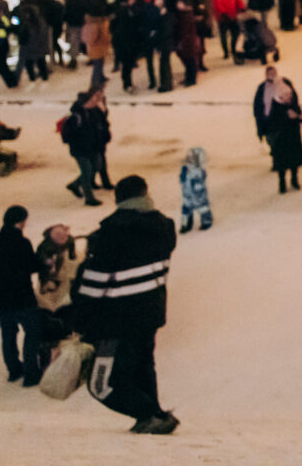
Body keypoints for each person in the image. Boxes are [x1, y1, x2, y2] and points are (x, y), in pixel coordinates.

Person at [71, 174, 179, 434]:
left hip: (114, 320)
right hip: (150, 313)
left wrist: (78, 320)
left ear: (119, 198)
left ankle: (149, 415)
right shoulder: (165, 227)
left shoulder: (111, 232)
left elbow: (93, 283)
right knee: (144, 366)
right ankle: (154, 414)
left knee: (101, 384)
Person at [0, 204, 43, 387]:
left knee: (8, 335)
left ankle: (13, 369)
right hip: (21, 297)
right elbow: (32, 266)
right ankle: (31, 373)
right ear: (22, 222)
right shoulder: (22, 243)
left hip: (0, 299)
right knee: (32, 333)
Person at [252, 67, 302, 193]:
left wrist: (298, 116)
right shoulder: (267, 95)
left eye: (289, 95)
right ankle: (282, 182)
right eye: (286, 95)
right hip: (279, 135)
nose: (289, 97)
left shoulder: (286, 87)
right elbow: (259, 109)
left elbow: (297, 108)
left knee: (293, 159)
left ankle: (294, 180)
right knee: (280, 158)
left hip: (291, 135)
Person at [62, 87, 109, 206]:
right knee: (87, 171)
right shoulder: (76, 117)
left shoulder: (93, 111)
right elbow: (67, 135)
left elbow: (101, 125)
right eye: (92, 100)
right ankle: (89, 198)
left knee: (96, 166)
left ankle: (75, 184)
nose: (95, 102)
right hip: (81, 150)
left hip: (92, 147)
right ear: (85, 103)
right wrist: (80, 141)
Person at [211, 0, 246, 64]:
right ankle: (226, 51)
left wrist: (242, 7)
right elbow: (217, 3)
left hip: (233, 16)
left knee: (235, 33)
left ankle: (233, 48)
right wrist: (223, 13)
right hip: (223, 18)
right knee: (223, 35)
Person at [178, 147, 213, 232]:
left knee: (203, 208)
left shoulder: (199, 172)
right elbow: (182, 180)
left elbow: (200, 182)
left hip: (199, 196)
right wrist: (183, 174)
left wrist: (198, 190)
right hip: (187, 195)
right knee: (186, 210)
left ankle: (206, 221)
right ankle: (185, 225)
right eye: (189, 158)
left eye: (193, 159)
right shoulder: (185, 169)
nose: (190, 161)